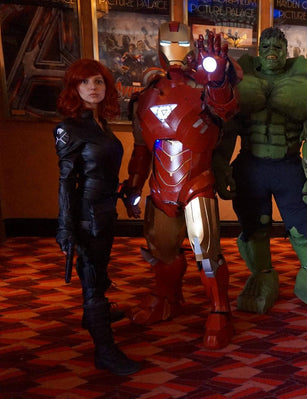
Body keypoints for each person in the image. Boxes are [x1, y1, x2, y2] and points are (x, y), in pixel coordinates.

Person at [120, 22, 241, 349]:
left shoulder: (207, 85)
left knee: (207, 250)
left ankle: (219, 309)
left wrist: (217, 78)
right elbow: (142, 148)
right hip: (161, 188)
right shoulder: (146, 95)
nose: (175, 50)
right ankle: (166, 297)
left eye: (181, 42)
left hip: (197, 182)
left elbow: (225, 108)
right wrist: (132, 187)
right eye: (168, 43)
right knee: (161, 249)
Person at [212, 27, 307, 314]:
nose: (272, 49)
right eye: (267, 44)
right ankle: (262, 277)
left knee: (302, 228)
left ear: (287, 51)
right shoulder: (239, 80)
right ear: (258, 50)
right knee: (254, 228)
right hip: (251, 165)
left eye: (278, 45)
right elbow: (224, 129)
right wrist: (221, 167)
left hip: (289, 165)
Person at [53, 59, 141, 375]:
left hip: (104, 211)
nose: (94, 87)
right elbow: (66, 182)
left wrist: (125, 194)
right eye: (85, 82)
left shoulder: (98, 125)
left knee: (99, 274)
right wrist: (65, 227)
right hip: (86, 215)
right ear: (74, 89)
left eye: (99, 81)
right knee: (92, 279)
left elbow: (100, 171)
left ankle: (94, 316)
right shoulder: (69, 128)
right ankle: (105, 351)